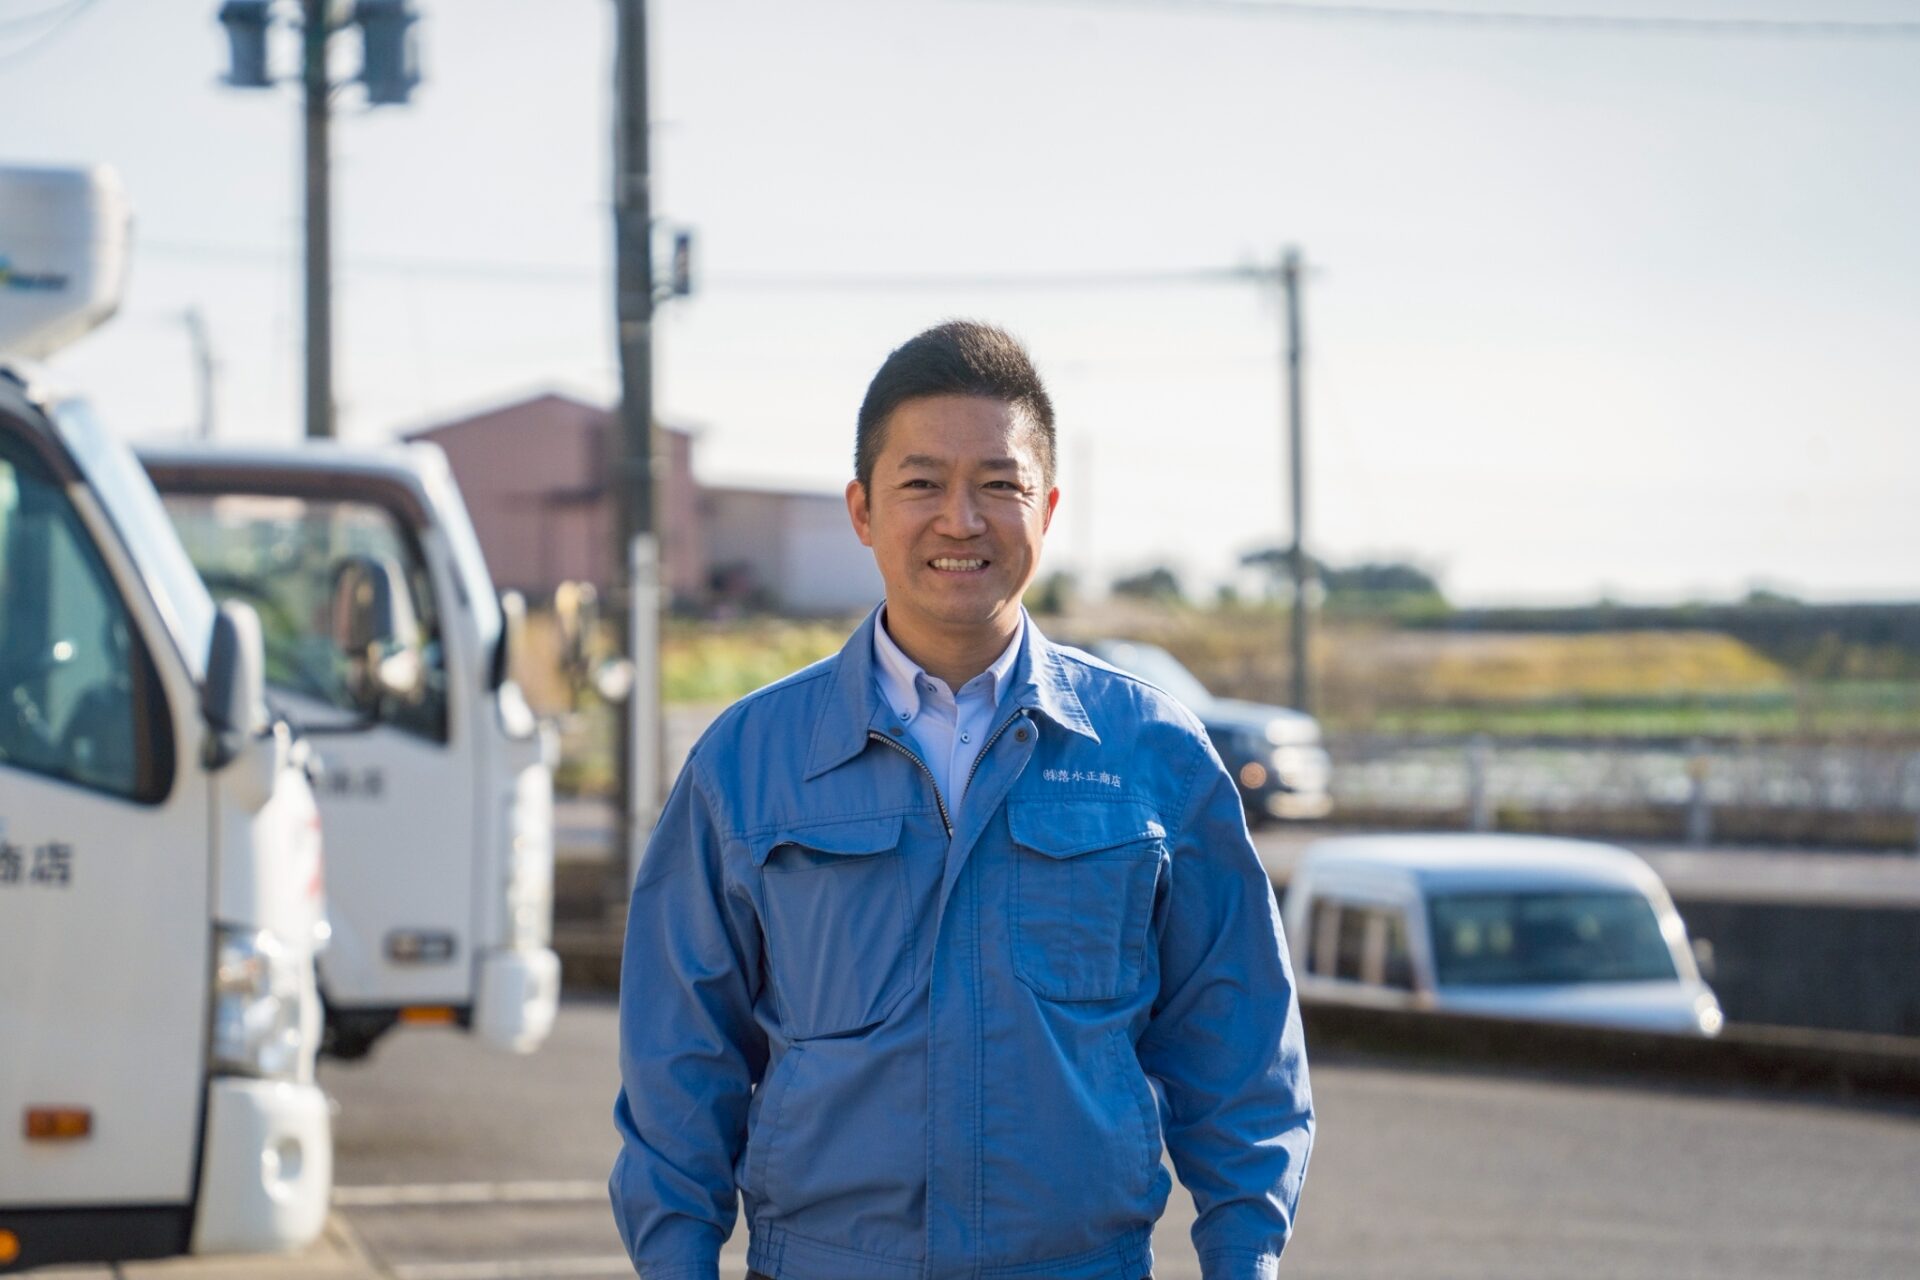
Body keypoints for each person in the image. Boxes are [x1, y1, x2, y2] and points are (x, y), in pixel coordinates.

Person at [611, 321, 1314, 1280]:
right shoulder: (748, 763)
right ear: (862, 510)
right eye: (922, 484)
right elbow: (678, 1065)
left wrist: (1244, 1258)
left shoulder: (1155, 757)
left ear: (1048, 508)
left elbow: (1239, 1057)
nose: (961, 519)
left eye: (999, 483)